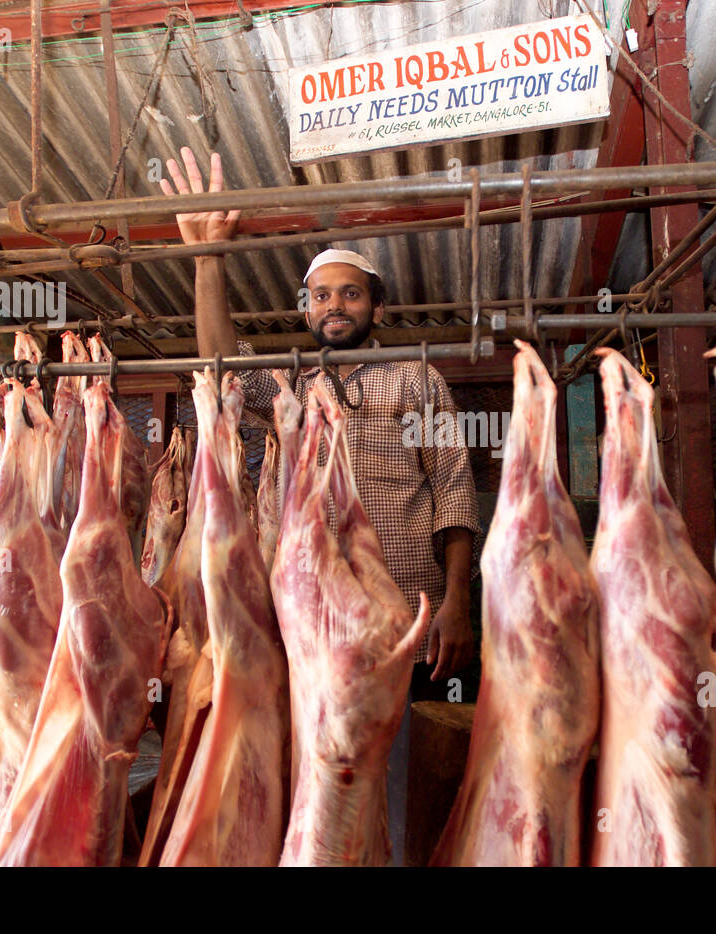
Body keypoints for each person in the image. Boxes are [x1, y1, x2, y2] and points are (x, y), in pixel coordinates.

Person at [160, 145, 481, 690]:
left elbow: (454, 489)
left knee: (409, 767)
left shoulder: (417, 378)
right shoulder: (291, 386)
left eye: (350, 295)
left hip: (409, 623)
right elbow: (220, 368)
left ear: (376, 309)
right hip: (313, 625)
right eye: (322, 296)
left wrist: (459, 601)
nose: (335, 305)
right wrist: (208, 257)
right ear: (306, 310)